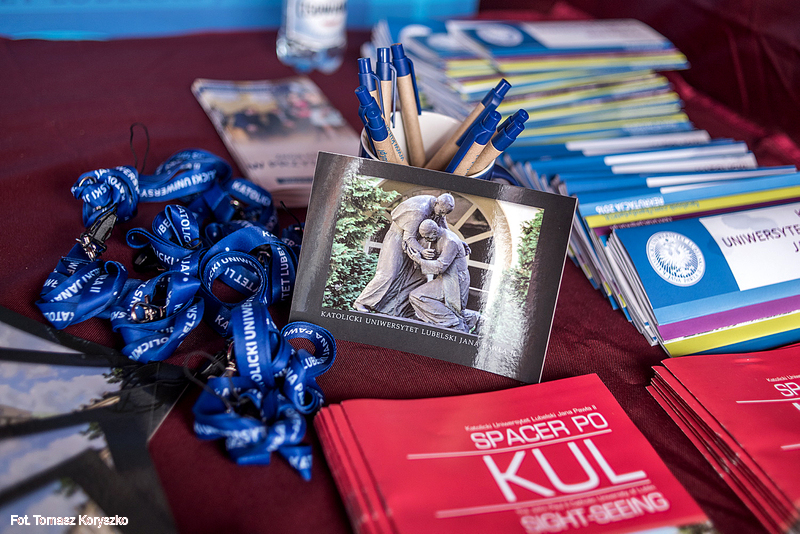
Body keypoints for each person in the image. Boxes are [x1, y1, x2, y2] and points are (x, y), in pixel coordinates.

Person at [353, 193, 455, 317]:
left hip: (416, 241)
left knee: (418, 277)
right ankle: (361, 302)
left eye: (445, 213)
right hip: (398, 239)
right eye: (442, 211)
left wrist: (458, 242)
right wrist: (422, 251)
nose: (442, 215)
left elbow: (444, 228)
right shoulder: (419, 210)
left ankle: (402, 310)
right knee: (389, 273)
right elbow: (409, 238)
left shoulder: (438, 209)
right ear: (437, 203)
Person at [406, 219, 476, 332]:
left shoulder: (450, 241)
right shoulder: (437, 237)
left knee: (418, 296)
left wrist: (420, 260)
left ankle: (454, 324)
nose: (426, 240)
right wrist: (423, 255)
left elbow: (440, 267)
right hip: (445, 277)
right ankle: (463, 320)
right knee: (416, 295)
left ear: (434, 231)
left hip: (455, 280)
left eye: (427, 237)